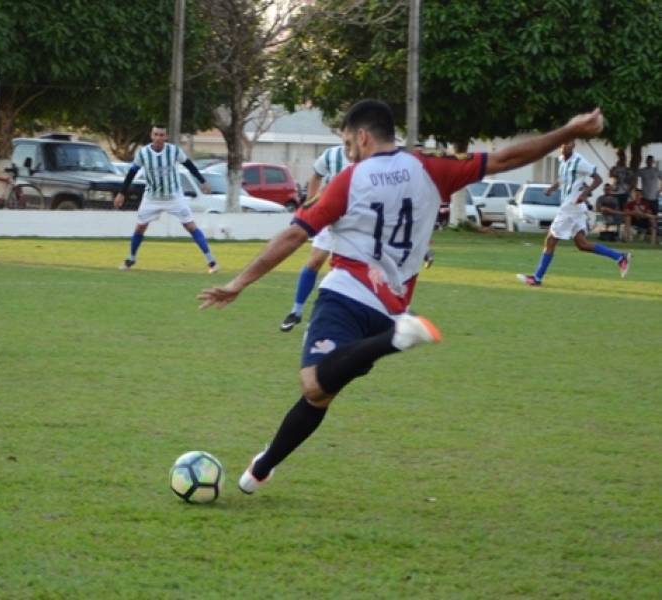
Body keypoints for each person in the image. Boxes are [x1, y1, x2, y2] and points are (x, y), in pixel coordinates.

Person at [198, 100, 606, 494]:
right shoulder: (429, 166)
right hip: (392, 306)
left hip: (345, 294)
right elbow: (504, 159)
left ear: (361, 137)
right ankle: (262, 469)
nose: (348, 153)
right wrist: (569, 130)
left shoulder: (349, 180)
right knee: (321, 395)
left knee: (312, 382)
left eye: (346, 145)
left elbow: (293, 235)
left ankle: (394, 340)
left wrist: (239, 283)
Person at [517, 141, 629, 286]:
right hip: (575, 207)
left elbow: (598, 179)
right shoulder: (562, 160)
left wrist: (585, 193)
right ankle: (620, 257)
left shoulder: (579, 161)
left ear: (573, 145)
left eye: (568, 144)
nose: (565, 146)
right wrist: (552, 188)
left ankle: (537, 278)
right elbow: (563, 179)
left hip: (571, 206)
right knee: (582, 244)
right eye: (563, 143)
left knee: (550, 240)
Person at [113, 124, 218, 273]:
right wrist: (121, 193)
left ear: (166, 137)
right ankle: (130, 259)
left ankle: (211, 262)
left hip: (174, 196)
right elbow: (131, 173)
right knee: (140, 227)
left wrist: (202, 181)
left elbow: (189, 165)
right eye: (156, 134)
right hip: (151, 198)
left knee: (190, 226)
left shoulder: (173, 151)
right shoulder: (143, 153)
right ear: (151, 136)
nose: (158, 138)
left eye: (162, 135)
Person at [279, 140, 353, 332]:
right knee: (314, 262)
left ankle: (327, 316)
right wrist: (312, 204)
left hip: (354, 223)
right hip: (329, 218)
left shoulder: (370, 157)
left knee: (344, 268)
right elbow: (316, 177)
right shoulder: (332, 155)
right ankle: (296, 311)